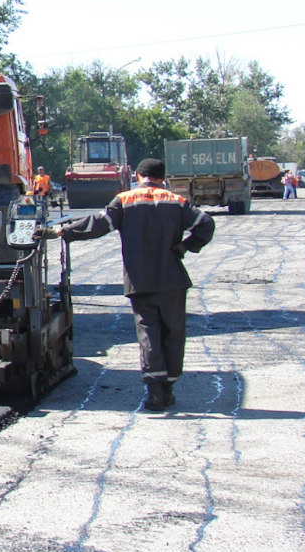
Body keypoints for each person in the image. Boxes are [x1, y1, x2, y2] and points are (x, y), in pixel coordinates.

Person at [36, 157, 215, 411]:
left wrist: (62, 232)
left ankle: (154, 392)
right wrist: (186, 246)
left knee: (148, 331)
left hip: (139, 279)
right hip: (172, 279)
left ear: (139, 176)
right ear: (162, 178)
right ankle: (168, 387)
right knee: (173, 332)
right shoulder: (176, 201)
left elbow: (98, 224)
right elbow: (206, 224)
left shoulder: (125, 200)